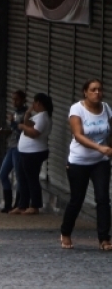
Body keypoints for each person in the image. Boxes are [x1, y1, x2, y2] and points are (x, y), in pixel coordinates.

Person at [61, 79, 112, 250]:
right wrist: (99, 147)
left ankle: (104, 239)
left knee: (103, 198)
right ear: (85, 92)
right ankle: (66, 232)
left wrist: (107, 149)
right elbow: (78, 135)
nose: (97, 93)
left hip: (101, 162)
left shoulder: (106, 108)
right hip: (79, 162)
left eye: (99, 90)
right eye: (93, 90)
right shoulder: (77, 109)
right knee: (77, 200)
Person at [13, 93, 52, 215]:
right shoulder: (38, 116)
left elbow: (35, 133)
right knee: (22, 178)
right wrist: (27, 114)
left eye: (34, 102)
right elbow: (28, 124)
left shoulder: (43, 117)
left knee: (32, 179)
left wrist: (23, 127)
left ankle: (35, 205)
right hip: (26, 152)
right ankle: (22, 205)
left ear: (39, 103)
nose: (32, 105)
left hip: (34, 153)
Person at [0, 90, 28, 213]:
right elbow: (13, 130)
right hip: (11, 146)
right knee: (2, 174)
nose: (14, 102)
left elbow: (23, 131)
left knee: (20, 176)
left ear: (23, 100)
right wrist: (4, 131)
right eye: (13, 99)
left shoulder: (26, 114)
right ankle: (8, 203)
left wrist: (13, 123)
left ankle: (19, 203)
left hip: (20, 147)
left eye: (17, 99)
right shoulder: (15, 113)